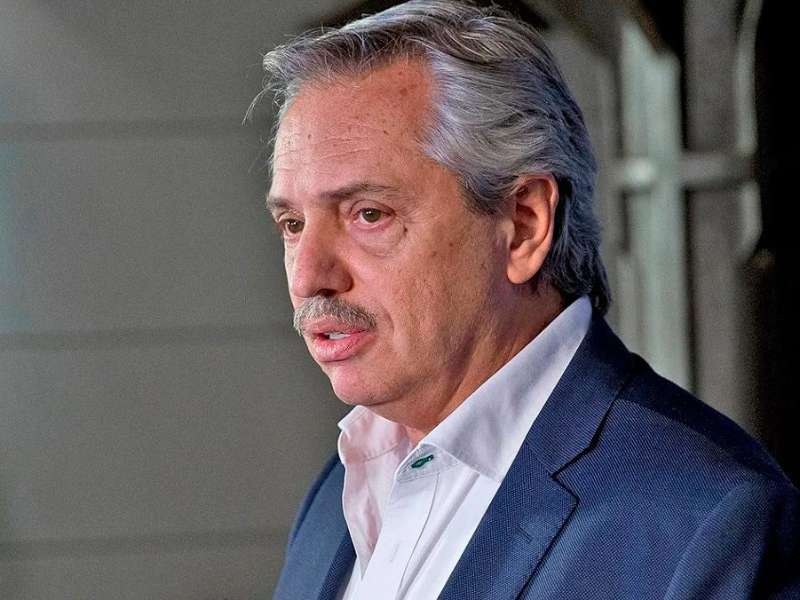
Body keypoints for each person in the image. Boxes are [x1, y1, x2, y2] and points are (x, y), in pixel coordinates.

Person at [250, 1, 800, 598]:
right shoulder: (339, 490)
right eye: (292, 224)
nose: (309, 277)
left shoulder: (707, 523)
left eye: (368, 215)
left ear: (524, 225)